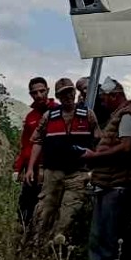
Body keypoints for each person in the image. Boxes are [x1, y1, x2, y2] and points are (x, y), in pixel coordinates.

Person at [81, 77, 131, 260]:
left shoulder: (127, 116)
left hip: (117, 187)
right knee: (100, 235)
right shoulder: (120, 115)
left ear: (114, 96)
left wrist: (95, 157)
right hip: (110, 184)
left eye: (104, 98)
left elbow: (126, 147)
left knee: (108, 236)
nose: (102, 103)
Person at [25, 78, 99, 245]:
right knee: (44, 212)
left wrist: (95, 161)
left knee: (68, 216)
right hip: (53, 172)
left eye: (70, 91)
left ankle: (55, 250)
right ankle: (35, 247)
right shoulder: (49, 116)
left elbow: (98, 139)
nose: (68, 96)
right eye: (63, 93)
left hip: (77, 174)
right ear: (58, 96)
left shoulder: (88, 115)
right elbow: (37, 141)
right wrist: (31, 168)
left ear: (74, 92)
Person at [14, 77, 55, 231]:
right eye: (34, 93)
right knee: (25, 206)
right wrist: (19, 168)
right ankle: (22, 235)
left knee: (46, 208)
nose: (38, 95)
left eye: (41, 91)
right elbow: (26, 144)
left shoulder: (58, 111)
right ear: (30, 94)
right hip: (32, 169)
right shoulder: (30, 116)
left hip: (51, 168)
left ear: (47, 91)